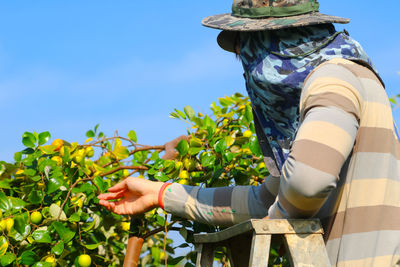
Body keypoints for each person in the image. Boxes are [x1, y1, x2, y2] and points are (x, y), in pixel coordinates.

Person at [98, 0, 400, 266]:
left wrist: (277, 222)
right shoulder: (346, 77)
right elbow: (264, 199)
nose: (248, 68)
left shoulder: (333, 79)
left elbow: (308, 182)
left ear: (271, 41)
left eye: (248, 52)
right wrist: (161, 194)